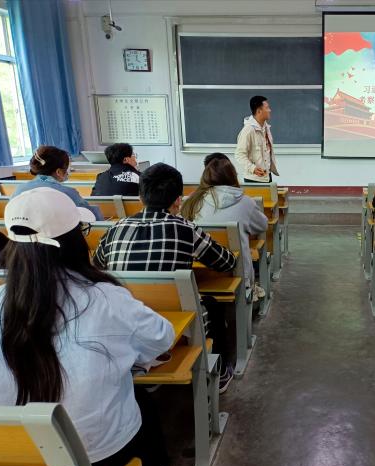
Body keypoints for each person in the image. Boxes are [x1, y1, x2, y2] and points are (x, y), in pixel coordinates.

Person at [0, 187, 174, 466]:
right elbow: (161, 338)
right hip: (96, 458)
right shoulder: (105, 298)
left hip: (12, 458)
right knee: (144, 404)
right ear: (73, 241)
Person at [93, 163, 237, 392]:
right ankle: (220, 374)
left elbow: (97, 266)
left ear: (140, 198)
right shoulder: (186, 229)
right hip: (173, 327)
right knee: (213, 305)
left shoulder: (115, 229)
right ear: (178, 200)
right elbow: (226, 262)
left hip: (122, 323)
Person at [181, 153, 268, 299]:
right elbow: (263, 225)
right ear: (233, 176)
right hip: (236, 273)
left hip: (198, 274)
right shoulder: (246, 203)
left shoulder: (192, 202)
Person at [12, 146, 103, 220]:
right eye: (67, 167)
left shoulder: (19, 189)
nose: (69, 171)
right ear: (59, 172)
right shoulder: (68, 192)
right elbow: (93, 216)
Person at [235, 95, 279, 183]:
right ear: (259, 111)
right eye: (267, 108)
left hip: (266, 176)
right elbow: (239, 154)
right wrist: (252, 168)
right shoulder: (248, 130)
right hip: (253, 179)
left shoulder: (266, 127)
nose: (270, 110)